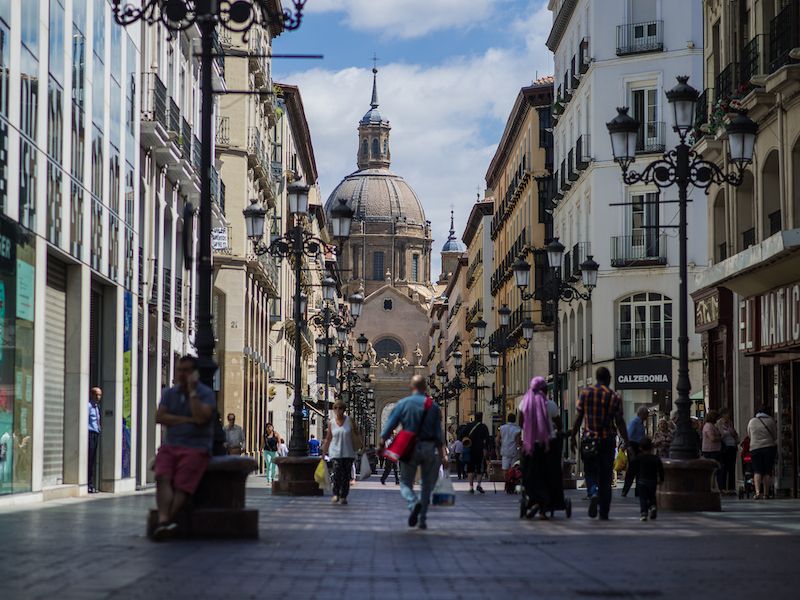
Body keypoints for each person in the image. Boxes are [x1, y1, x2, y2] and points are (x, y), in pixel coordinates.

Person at [153, 355, 216, 541]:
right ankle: (164, 523)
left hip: (196, 448)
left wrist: (193, 393)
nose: (181, 374)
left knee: (181, 486)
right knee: (162, 477)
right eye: (179, 370)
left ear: (195, 373)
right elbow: (159, 417)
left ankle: (163, 522)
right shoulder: (169, 393)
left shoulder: (206, 394)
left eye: (186, 370)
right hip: (170, 446)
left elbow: (201, 418)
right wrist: (188, 420)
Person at [378, 375, 446, 530]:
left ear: (411, 387)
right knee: (426, 484)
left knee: (405, 482)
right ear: (425, 388)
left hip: (410, 447)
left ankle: (413, 502)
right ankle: (422, 518)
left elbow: (390, 426)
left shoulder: (403, 403)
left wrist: (382, 444)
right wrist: (443, 456)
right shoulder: (433, 406)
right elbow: (438, 433)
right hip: (429, 447)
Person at [570, 367, 629, 520]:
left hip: (590, 440)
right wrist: (627, 441)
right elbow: (620, 421)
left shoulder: (585, 393)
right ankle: (604, 512)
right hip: (608, 440)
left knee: (589, 471)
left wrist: (572, 437)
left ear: (596, 378)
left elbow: (578, 418)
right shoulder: (615, 396)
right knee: (605, 476)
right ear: (609, 378)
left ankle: (593, 492)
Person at [518, 377, 561, 519]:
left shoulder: (524, 404)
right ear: (544, 390)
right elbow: (558, 423)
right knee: (549, 474)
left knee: (530, 474)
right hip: (548, 445)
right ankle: (544, 509)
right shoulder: (551, 405)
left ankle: (535, 501)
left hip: (530, 445)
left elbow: (521, 422)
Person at [323, 400, 363, 505]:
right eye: (336, 408)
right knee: (337, 474)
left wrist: (362, 445)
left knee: (345, 476)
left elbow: (357, 433)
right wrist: (323, 452)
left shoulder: (350, 421)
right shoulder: (331, 423)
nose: (338, 410)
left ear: (344, 409)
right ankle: (336, 494)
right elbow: (328, 438)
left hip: (348, 452)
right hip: (335, 452)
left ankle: (344, 496)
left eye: (340, 408)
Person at [628, 437, 664, 521]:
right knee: (652, 495)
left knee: (643, 497)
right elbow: (660, 469)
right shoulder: (655, 458)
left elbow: (633, 464)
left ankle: (644, 513)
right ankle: (653, 506)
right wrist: (661, 479)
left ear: (640, 448)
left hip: (642, 480)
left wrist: (632, 456)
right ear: (651, 448)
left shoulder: (640, 457)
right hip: (653, 480)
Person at [746, 405, 777, 499]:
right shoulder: (770, 421)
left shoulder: (752, 421)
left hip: (755, 448)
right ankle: (766, 493)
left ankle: (757, 492)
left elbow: (749, 434)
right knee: (767, 471)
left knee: (757, 470)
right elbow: (775, 435)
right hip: (768, 447)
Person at [622, 406, 649, 497]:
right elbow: (629, 434)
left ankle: (637, 491)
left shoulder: (641, 423)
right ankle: (625, 490)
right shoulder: (635, 422)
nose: (647, 416)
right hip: (634, 446)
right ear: (643, 414)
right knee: (632, 469)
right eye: (647, 414)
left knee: (639, 469)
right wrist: (626, 445)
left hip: (639, 446)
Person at [462, 413, 491, 494]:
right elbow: (487, 440)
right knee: (479, 468)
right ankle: (478, 484)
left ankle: (471, 487)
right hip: (479, 450)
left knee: (470, 468)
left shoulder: (469, 425)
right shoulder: (483, 427)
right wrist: (487, 449)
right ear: (481, 418)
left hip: (470, 449)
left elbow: (461, 434)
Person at [716, 408, 739, 495]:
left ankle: (731, 488)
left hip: (732, 446)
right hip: (724, 447)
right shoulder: (718, 423)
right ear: (723, 414)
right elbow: (718, 434)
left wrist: (737, 440)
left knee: (732, 468)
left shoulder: (730, 423)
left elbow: (734, 433)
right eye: (727, 414)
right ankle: (723, 488)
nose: (729, 416)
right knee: (724, 468)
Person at [701, 410, 724, 491]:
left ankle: (721, 488)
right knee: (713, 470)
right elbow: (712, 438)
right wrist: (721, 438)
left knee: (719, 470)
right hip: (710, 451)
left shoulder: (713, 426)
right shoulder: (708, 426)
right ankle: (708, 487)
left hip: (715, 450)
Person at [497, 414, 521, 479]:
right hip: (514, 451)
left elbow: (497, 439)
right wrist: (519, 453)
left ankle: (506, 481)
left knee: (505, 468)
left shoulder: (502, 428)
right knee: (514, 468)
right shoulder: (517, 429)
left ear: (507, 419)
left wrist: (501, 444)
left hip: (505, 450)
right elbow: (518, 443)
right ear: (514, 420)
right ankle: (512, 482)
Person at [88, 387, 102, 494]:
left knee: (92, 460)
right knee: (89, 460)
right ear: (91, 395)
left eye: (100, 395)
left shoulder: (96, 407)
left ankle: (91, 483)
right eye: (96, 394)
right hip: (90, 434)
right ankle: (88, 483)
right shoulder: (88, 406)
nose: (98, 397)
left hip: (95, 434)